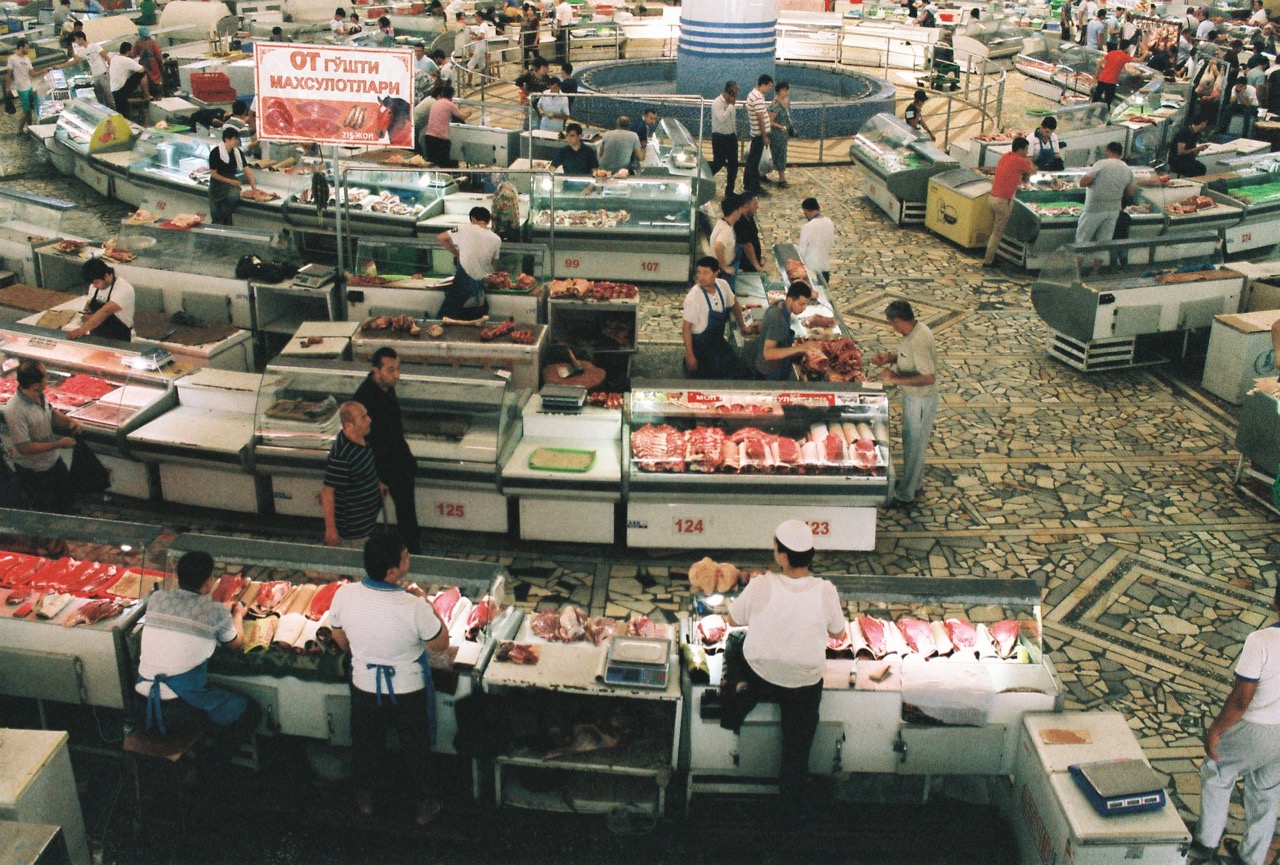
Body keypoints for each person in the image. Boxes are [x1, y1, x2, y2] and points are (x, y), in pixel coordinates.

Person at [723, 520, 845, 810]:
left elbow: (732, 620)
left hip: (762, 672)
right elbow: (839, 633)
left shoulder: (762, 584)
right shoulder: (825, 590)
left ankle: (741, 696)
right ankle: (790, 805)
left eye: (775, 547)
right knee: (796, 750)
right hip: (804, 681)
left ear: (783, 556)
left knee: (736, 641)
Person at [328, 532, 448, 826]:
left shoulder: (345, 594)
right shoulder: (414, 606)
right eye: (406, 556)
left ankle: (366, 801)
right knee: (415, 748)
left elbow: (340, 639)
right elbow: (440, 643)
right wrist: (427, 604)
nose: (410, 559)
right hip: (408, 690)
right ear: (393, 572)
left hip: (365, 686)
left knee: (367, 745)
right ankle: (424, 806)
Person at [134, 551, 261, 767]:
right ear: (209, 581)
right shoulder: (215, 612)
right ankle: (207, 770)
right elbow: (235, 644)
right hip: (176, 714)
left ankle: (199, 761)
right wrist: (237, 615)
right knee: (250, 712)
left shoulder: (156, 599)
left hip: (138, 705)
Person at [1190, 585, 1280, 865]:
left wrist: (1216, 728)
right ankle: (1251, 857)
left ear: (1276, 600)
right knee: (1265, 792)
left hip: (1255, 728)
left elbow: (1241, 700)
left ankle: (1207, 841)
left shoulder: (1261, 641)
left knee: (1218, 771)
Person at [871, 300, 938, 509]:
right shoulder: (912, 332)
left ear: (899, 320)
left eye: (892, 323)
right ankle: (913, 483)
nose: (893, 327)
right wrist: (890, 358)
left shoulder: (919, 339)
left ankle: (906, 494)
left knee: (915, 445)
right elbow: (908, 357)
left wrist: (895, 379)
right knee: (911, 443)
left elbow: (928, 377)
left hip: (921, 399)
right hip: (913, 398)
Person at [354, 348, 420, 555]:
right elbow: (360, 439)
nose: (397, 375)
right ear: (376, 370)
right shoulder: (363, 399)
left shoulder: (387, 387)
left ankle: (412, 555)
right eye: (390, 369)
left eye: (398, 368)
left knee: (407, 515)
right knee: (365, 517)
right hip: (378, 467)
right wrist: (375, 477)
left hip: (399, 462)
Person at [4, 360, 80, 514]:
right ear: (35, 384)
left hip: (53, 462)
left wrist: (69, 421)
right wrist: (59, 443)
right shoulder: (14, 410)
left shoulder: (40, 395)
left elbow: (50, 412)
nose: (47, 379)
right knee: (46, 510)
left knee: (67, 500)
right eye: (45, 377)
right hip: (34, 471)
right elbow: (25, 448)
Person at [321, 401, 386, 548]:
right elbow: (327, 491)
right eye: (363, 417)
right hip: (354, 530)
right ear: (349, 425)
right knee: (357, 565)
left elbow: (364, 469)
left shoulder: (360, 437)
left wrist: (377, 484)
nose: (369, 419)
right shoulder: (342, 456)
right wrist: (331, 530)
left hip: (366, 522)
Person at [682, 255, 756, 380]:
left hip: (718, 342)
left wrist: (742, 325)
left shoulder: (723, 286)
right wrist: (690, 356)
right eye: (699, 272)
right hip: (700, 348)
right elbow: (686, 328)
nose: (701, 277)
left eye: (706, 273)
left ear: (716, 273)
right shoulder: (693, 297)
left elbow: (734, 304)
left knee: (741, 373)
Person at [1076, 141, 1134, 272]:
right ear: (1120, 153)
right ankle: (1094, 273)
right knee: (1103, 243)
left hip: (1094, 209)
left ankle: (1077, 274)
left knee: (1081, 241)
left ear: (1108, 151)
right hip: (1113, 210)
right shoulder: (1127, 168)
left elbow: (1083, 183)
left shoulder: (1101, 164)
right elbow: (1130, 192)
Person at [436, 206, 500, 321]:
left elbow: (441, 238)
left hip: (462, 282)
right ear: (488, 220)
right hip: (479, 286)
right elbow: (493, 264)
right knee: (475, 322)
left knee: (445, 319)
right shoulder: (496, 239)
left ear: (473, 218)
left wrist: (457, 254)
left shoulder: (463, 229)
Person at [983, 136, 1034, 267]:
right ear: (1021, 149)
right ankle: (988, 261)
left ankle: (991, 254)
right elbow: (1030, 172)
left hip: (992, 197)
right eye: (1026, 149)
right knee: (997, 232)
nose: (1027, 152)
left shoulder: (1005, 156)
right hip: (1003, 201)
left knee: (993, 229)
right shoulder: (1020, 161)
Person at [753, 281, 813, 380]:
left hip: (776, 365)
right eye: (801, 304)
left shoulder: (779, 304)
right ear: (789, 300)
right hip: (770, 372)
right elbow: (767, 354)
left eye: (806, 304)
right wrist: (800, 348)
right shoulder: (778, 319)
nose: (804, 308)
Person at [71, 257, 135, 341]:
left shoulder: (124, 289)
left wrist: (81, 330)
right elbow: (89, 304)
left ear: (107, 275)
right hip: (96, 334)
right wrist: (86, 313)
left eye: (96, 282)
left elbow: (105, 311)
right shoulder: (94, 286)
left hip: (118, 337)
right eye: (92, 283)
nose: (94, 286)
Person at [208, 128, 258, 227]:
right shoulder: (215, 153)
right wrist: (230, 181)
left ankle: (226, 222)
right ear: (227, 139)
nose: (237, 141)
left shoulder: (237, 152)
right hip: (217, 186)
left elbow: (246, 170)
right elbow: (213, 174)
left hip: (231, 183)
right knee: (216, 214)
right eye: (235, 139)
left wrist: (254, 188)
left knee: (233, 197)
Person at [6, 41, 46, 134]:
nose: (28, 50)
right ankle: (20, 129)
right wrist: (7, 87)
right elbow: (9, 74)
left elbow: (32, 73)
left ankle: (30, 126)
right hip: (21, 88)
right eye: (26, 48)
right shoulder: (12, 59)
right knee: (26, 110)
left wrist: (43, 71)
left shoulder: (27, 59)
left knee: (30, 109)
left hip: (28, 86)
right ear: (21, 48)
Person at [423, 85, 468, 167]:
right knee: (445, 164)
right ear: (451, 96)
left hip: (428, 137)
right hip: (440, 139)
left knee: (433, 164)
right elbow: (462, 116)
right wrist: (469, 112)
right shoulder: (449, 104)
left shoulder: (435, 103)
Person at [744, 75, 773, 196]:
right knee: (754, 162)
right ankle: (754, 186)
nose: (770, 89)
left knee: (752, 160)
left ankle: (748, 183)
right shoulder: (758, 98)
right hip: (759, 135)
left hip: (756, 133)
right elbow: (760, 118)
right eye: (769, 86)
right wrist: (764, 136)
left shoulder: (753, 94)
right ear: (763, 85)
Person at [709, 81, 740, 195]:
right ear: (730, 93)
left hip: (731, 137)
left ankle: (730, 190)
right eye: (735, 93)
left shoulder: (731, 103)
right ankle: (703, 177)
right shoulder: (718, 103)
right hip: (720, 137)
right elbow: (722, 118)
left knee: (733, 165)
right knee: (718, 163)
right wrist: (731, 105)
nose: (736, 96)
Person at [710, 193, 744, 290]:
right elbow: (718, 246)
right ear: (736, 212)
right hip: (724, 270)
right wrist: (724, 267)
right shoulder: (726, 231)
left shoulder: (722, 222)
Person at [798, 197, 834, 285]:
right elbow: (831, 243)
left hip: (811, 268)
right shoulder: (829, 222)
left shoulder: (807, 227)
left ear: (806, 210)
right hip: (824, 266)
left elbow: (802, 250)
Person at [109, 41, 150, 113]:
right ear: (128, 51)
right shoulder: (126, 60)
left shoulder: (114, 58)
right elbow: (141, 69)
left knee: (121, 111)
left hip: (114, 90)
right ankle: (147, 96)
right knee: (143, 73)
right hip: (121, 90)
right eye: (131, 50)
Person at [71, 31, 110, 106]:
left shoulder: (94, 46)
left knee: (109, 96)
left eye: (76, 39)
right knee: (100, 98)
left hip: (103, 73)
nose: (75, 41)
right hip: (95, 75)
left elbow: (106, 57)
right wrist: (58, 66)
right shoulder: (83, 50)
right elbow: (74, 61)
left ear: (81, 39)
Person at [767, 81, 795, 187]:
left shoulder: (785, 102)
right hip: (777, 134)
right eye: (784, 90)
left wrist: (790, 127)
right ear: (779, 91)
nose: (786, 92)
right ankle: (781, 179)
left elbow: (787, 117)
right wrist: (780, 127)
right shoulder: (775, 105)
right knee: (778, 155)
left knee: (780, 154)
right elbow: (770, 120)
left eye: (786, 90)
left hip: (784, 134)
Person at [734, 192, 765, 273]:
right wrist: (757, 266)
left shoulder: (749, 216)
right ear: (746, 206)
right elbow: (747, 246)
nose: (757, 207)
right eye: (755, 204)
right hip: (747, 264)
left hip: (754, 260)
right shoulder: (739, 222)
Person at [134, 27, 163, 94]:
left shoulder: (138, 43)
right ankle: (157, 95)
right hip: (153, 63)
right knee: (156, 80)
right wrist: (161, 63)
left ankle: (148, 94)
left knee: (146, 79)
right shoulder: (152, 43)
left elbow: (133, 54)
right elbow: (158, 54)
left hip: (143, 63)